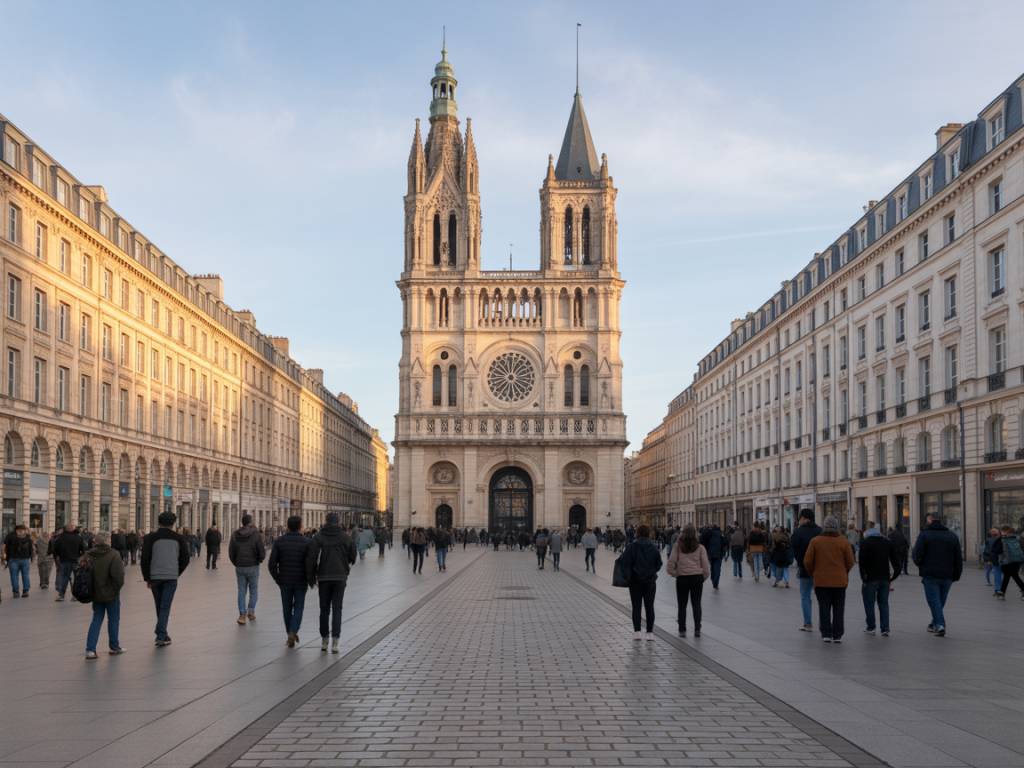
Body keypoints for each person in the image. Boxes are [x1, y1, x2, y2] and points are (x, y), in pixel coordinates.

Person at [306, 512, 357, 654]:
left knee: (324, 609)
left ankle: (324, 640)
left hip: (323, 577)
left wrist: (311, 578)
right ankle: (336, 641)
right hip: (340, 577)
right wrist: (347, 564)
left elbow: (311, 559)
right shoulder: (345, 537)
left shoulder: (318, 537)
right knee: (337, 608)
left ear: (326, 521)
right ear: (338, 521)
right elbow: (353, 555)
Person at [141, 511, 190, 647]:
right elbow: (185, 558)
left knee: (159, 605)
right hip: (170, 577)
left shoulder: (150, 538)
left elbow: (145, 559)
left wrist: (147, 578)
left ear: (159, 522)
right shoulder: (179, 538)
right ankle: (161, 634)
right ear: (173, 523)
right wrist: (176, 572)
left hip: (155, 577)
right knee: (165, 606)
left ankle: (162, 633)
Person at [803, 515, 854, 644]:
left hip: (821, 581)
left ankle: (826, 633)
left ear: (824, 527)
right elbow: (850, 561)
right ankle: (837, 634)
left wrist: (813, 573)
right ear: (836, 527)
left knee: (823, 607)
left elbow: (807, 561)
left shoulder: (815, 541)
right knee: (838, 607)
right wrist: (844, 571)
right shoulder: (843, 541)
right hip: (840, 581)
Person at [911, 513, 962, 637]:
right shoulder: (952, 536)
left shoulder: (924, 535)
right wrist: (957, 574)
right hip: (948, 574)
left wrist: (921, 565)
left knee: (934, 601)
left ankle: (940, 625)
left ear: (930, 520)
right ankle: (934, 623)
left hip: (930, 574)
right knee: (939, 601)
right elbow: (958, 557)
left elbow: (917, 554)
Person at [268, 515, 311, 648]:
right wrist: (310, 578)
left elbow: (272, 564)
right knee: (298, 607)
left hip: (285, 580)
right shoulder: (306, 542)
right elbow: (310, 563)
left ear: (287, 526)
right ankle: (293, 631)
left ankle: (289, 633)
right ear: (300, 526)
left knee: (286, 608)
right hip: (301, 581)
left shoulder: (279, 541)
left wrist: (278, 578)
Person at [84, 530, 125, 660]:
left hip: (95, 593)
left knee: (96, 619)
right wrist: (115, 590)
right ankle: (114, 646)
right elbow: (119, 577)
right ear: (107, 541)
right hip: (111, 593)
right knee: (113, 619)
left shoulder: (89, 554)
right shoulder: (114, 554)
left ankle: (90, 649)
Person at [618, 524, 663, 640]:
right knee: (649, 607)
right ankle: (650, 633)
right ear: (648, 533)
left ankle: (637, 632)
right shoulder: (653, 547)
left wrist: (629, 575)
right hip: (650, 582)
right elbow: (659, 564)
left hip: (635, 581)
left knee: (636, 607)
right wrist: (652, 571)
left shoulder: (632, 547)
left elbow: (624, 562)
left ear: (637, 533)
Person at [667, 524, 709, 637]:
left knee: (682, 605)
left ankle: (682, 629)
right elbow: (706, 567)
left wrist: (676, 574)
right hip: (696, 578)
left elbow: (670, 564)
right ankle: (697, 629)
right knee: (696, 604)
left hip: (682, 579)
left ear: (683, 533)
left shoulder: (677, 546)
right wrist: (702, 577)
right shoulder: (700, 548)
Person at [858, 522, 900, 636]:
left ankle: (871, 627)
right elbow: (896, 562)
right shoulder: (887, 542)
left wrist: (863, 578)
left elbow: (861, 563)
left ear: (867, 531)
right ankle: (885, 628)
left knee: (869, 603)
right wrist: (893, 576)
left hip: (870, 578)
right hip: (885, 578)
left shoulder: (865, 543)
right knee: (884, 603)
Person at [229, 514, 266, 624]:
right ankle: (251, 611)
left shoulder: (235, 534)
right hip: (253, 566)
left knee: (241, 591)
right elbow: (261, 551)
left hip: (240, 566)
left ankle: (242, 615)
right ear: (250, 522)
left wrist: (236, 562)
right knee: (253, 590)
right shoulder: (256, 534)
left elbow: (231, 552)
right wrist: (259, 560)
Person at [791, 509, 822, 632]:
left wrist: (800, 562)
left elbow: (794, 548)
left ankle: (808, 623)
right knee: (821, 597)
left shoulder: (798, 532)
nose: (799, 521)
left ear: (804, 518)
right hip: (819, 569)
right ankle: (823, 622)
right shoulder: (820, 531)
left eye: (800, 518)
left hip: (804, 569)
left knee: (805, 596)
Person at [51, 523, 85, 601]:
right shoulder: (78, 537)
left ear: (65, 529)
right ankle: (75, 596)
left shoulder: (60, 537)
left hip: (64, 561)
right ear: (73, 529)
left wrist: (58, 557)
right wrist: (81, 558)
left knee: (64, 578)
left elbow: (55, 549)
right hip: (75, 561)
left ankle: (61, 595)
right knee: (75, 578)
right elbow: (83, 549)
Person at [991, 525, 1024, 599]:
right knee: (1007, 576)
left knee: (1014, 576)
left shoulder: (1002, 539)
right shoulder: (1017, 538)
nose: (1001, 532)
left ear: (1004, 531)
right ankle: (1002, 592)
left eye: (1001, 531)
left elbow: (997, 550)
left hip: (1007, 561)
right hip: (1016, 561)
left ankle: (1002, 593)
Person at [3, 524, 34, 598]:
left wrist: (4, 557)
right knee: (25, 575)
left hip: (13, 559)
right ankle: (25, 591)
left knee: (14, 576)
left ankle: (16, 592)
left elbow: (4, 546)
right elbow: (31, 548)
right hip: (25, 559)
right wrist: (31, 558)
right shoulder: (27, 536)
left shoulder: (10, 535)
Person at [699, 523, 725, 589]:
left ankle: (713, 579)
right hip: (718, 554)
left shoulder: (709, 533)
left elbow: (703, 540)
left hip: (710, 554)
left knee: (713, 567)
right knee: (718, 568)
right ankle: (716, 582)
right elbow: (724, 543)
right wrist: (723, 553)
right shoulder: (720, 534)